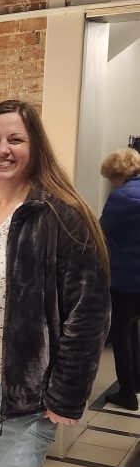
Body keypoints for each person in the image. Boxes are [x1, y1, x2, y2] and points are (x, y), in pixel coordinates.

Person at [0, 99, 111, 467]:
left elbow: (89, 313)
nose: (2, 149)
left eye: (15, 139)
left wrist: (66, 394)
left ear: (36, 148)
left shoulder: (61, 215)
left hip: (22, 403)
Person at [100, 148, 140, 410]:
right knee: (134, 327)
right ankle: (136, 380)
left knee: (122, 333)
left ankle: (127, 392)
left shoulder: (121, 197)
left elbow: (101, 232)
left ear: (118, 174)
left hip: (125, 279)